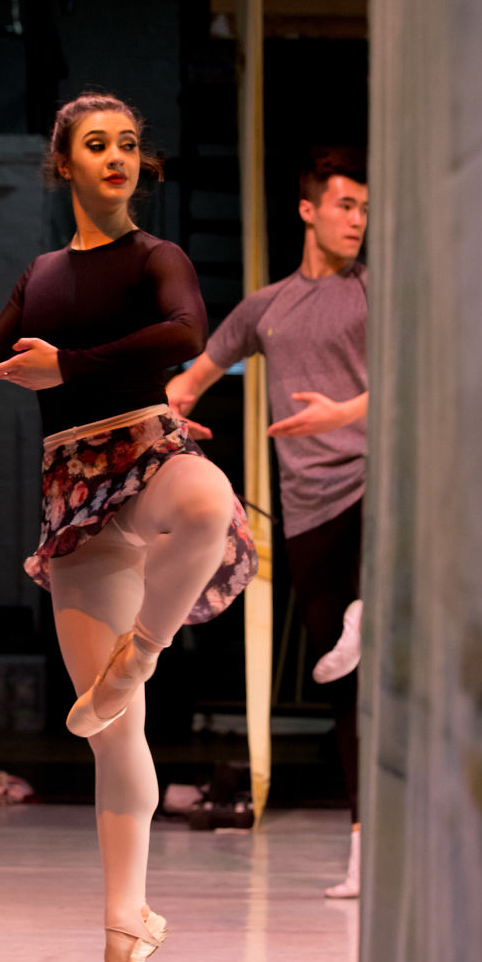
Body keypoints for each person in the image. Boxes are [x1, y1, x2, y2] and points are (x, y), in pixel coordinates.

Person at [0, 91, 257, 962]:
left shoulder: (159, 258)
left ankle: (143, 648)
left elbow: (184, 334)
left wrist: (70, 366)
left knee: (210, 501)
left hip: (146, 454)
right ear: (63, 163)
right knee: (112, 736)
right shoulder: (44, 273)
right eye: (96, 145)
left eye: (130, 144)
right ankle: (123, 921)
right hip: (74, 495)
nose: (116, 158)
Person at [166, 150, 368, 898]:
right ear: (309, 210)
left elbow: (412, 380)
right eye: (346, 205)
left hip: (372, 483)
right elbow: (188, 383)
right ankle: (361, 847)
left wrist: (344, 413)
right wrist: (155, 421)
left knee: (381, 650)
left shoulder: (377, 290)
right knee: (344, 686)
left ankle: (371, 608)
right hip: (308, 505)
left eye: (365, 209)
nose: (358, 220)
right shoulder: (268, 308)